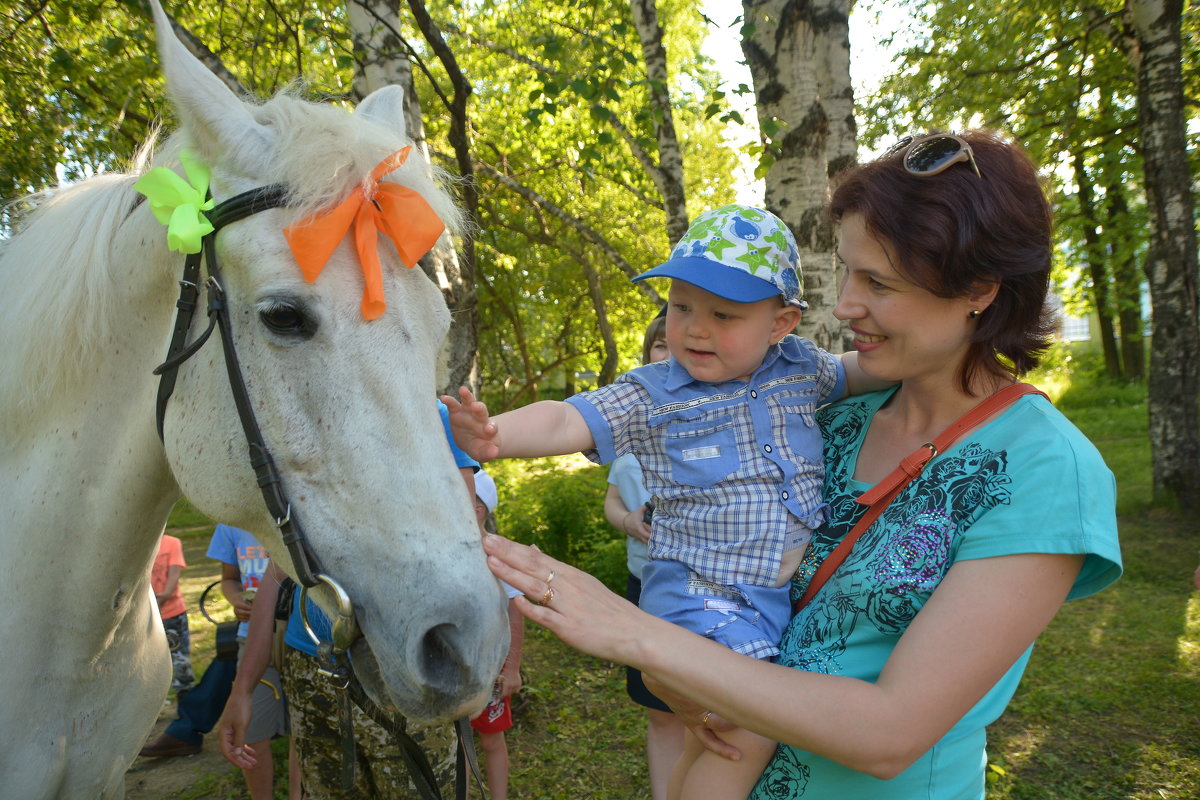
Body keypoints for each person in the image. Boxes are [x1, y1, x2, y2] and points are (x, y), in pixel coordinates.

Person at [481, 130, 1123, 799]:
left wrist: (635, 634)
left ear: (979, 291)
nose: (845, 304)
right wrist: (691, 679)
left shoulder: (1045, 470)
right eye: (849, 272)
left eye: (878, 282)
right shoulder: (818, 419)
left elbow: (889, 734)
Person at [444, 203, 887, 800]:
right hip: (698, 592)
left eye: (723, 314)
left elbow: (872, 370)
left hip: (770, 598)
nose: (695, 329)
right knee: (745, 724)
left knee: (714, 737)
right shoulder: (654, 393)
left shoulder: (803, 370)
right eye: (680, 308)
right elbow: (565, 418)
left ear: (781, 323)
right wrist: (494, 435)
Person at [217, 400, 483, 799]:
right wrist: (242, 689)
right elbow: (277, 571)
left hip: (402, 659)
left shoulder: (427, 412)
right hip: (313, 668)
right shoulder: (290, 416)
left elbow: (462, 538)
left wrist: (470, 663)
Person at [140, 526, 296, 800]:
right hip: (250, 639)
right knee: (251, 732)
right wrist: (237, 600)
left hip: (302, 639)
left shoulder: (294, 508)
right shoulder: (231, 525)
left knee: (302, 731)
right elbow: (229, 578)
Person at [602, 313, 685, 800]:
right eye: (659, 344)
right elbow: (613, 501)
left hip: (704, 589)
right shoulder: (633, 425)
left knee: (705, 707)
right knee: (659, 709)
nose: (668, 353)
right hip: (644, 587)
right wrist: (628, 521)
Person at [470, 469, 524, 800]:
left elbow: (515, 610)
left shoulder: (496, 551)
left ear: (478, 509)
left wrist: (512, 667)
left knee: (491, 739)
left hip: (490, 667)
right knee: (456, 739)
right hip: (452, 664)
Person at [150, 533, 195, 694]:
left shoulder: (172, 543)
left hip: (172, 614)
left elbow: (174, 573)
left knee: (180, 661)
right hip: (144, 618)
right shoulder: (139, 543)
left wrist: (164, 596)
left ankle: (186, 705)